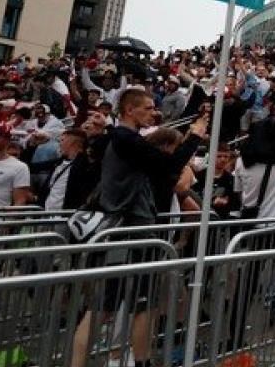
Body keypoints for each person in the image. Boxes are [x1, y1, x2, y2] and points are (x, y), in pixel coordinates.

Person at [72, 88, 207, 367]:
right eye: (146, 108)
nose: (153, 112)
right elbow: (169, 164)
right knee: (111, 306)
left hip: (129, 231)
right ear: (129, 110)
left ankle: (138, 360)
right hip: (128, 230)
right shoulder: (124, 138)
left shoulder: (121, 138)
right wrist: (194, 137)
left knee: (129, 304)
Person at [42, 129, 96, 211]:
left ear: (72, 143)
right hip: (47, 215)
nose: (60, 144)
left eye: (62, 140)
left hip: (65, 216)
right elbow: (35, 167)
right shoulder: (59, 163)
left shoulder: (84, 166)